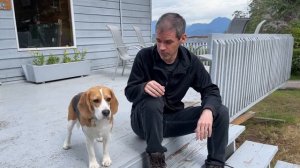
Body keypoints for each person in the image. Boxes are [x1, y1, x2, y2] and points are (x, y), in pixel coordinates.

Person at [125, 12, 229, 168]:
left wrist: (208, 110)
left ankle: (215, 163)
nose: (161, 47)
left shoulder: (191, 62)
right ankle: (156, 159)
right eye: (158, 41)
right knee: (153, 99)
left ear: (183, 39)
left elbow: (210, 90)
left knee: (220, 111)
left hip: (172, 120)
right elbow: (129, 92)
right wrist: (143, 87)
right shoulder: (144, 57)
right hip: (143, 122)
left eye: (168, 42)